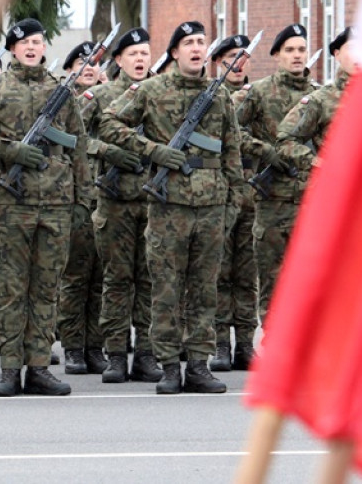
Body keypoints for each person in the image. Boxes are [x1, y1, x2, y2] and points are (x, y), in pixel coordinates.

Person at [0, 18, 91, 397]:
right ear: (12, 49)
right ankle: (10, 369)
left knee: (46, 290)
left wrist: (83, 200)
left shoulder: (61, 91)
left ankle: (39, 367)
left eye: (37, 41)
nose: (31, 47)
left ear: (44, 48)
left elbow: (78, 145)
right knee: (11, 290)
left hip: (56, 204)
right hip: (9, 205)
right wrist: (6, 149)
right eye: (24, 42)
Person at [100, 20, 242, 394]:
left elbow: (232, 153)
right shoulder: (151, 90)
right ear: (175, 52)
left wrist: (233, 205)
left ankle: (197, 365)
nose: (196, 48)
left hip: (211, 205)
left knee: (204, 290)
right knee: (165, 289)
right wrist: (153, 151)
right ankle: (167, 366)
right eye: (188, 43)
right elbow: (108, 122)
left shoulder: (219, 96)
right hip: (168, 207)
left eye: (201, 42)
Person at [85, 28, 162, 383]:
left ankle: (146, 354)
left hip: (155, 201)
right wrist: (106, 150)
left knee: (149, 282)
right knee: (116, 280)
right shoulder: (100, 96)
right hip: (114, 202)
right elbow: (73, 135)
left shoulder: (160, 93)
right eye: (133, 54)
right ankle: (115, 355)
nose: (140, 59)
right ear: (119, 60)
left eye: (145, 53)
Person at [239, 23, 316, 318]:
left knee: (309, 281)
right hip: (272, 201)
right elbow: (229, 129)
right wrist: (264, 151)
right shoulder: (259, 93)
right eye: (290, 50)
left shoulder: (319, 96)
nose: (297, 55)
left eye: (301, 50)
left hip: (310, 200)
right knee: (272, 281)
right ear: (276, 55)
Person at [206, 34, 259, 372]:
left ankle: (246, 345)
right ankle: (221, 345)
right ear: (218, 62)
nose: (237, 64)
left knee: (247, 276)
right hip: (220, 196)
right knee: (220, 274)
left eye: (242, 57)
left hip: (253, 195)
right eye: (230, 58)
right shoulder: (210, 97)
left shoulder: (260, 94)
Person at [56, 40, 109, 376]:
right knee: (75, 277)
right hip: (74, 197)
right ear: (69, 70)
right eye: (82, 63)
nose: (89, 68)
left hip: (104, 196)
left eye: (94, 63)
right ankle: (73, 347)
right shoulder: (62, 102)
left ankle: (95, 346)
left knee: (100, 277)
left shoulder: (107, 98)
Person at [276, 27, 358, 172]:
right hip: (339, 180)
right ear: (337, 54)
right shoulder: (321, 99)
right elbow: (285, 140)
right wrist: (318, 164)